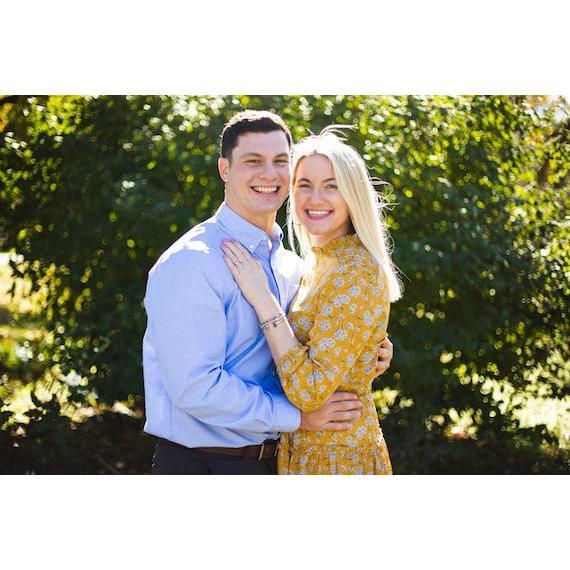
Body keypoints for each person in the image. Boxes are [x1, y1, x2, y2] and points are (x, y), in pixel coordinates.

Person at [143, 111, 393, 475]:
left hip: (279, 462)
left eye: (280, 161)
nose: (268, 174)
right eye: (253, 161)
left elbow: (314, 349)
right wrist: (296, 417)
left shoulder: (294, 266)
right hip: (205, 464)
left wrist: (368, 349)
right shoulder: (192, 262)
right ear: (224, 169)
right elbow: (195, 387)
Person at [222, 127, 402, 474]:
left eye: (331, 186)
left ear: (352, 195)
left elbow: (310, 391)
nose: (314, 198)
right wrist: (364, 353)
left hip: (338, 456)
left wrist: (263, 299)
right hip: (308, 451)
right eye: (304, 184)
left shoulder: (355, 270)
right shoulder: (320, 264)